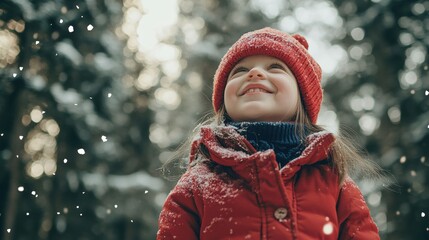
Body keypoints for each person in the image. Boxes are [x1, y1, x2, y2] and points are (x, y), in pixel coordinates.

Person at [156, 27, 382, 240]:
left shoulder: (334, 178)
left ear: (302, 98)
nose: (254, 73)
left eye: (275, 67)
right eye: (240, 71)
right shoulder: (198, 182)